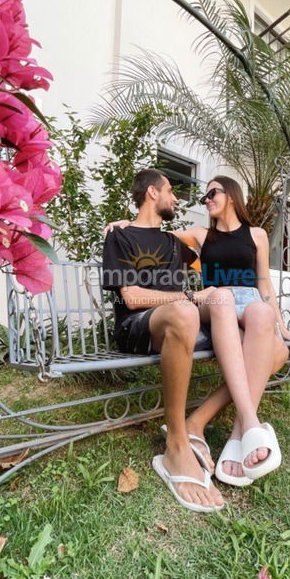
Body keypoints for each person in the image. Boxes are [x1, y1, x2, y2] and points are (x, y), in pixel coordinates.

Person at [104, 175, 290, 488]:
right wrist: (125, 223)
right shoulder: (199, 235)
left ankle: (224, 426)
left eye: (213, 193)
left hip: (250, 309)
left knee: (270, 335)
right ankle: (242, 428)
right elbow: (155, 233)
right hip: (216, 305)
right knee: (270, 354)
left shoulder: (256, 234)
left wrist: (283, 327)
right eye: (203, 196)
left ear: (232, 195)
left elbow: (264, 284)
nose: (206, 199)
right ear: (154, 192)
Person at [102, 168, 225, 514]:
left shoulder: (173, 242)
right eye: (170, 191)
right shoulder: (120, 237)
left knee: (224, 301)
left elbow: (213, 262)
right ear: (153, 193)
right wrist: (186, 298)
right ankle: (176, 444)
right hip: (137, 326)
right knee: (185, 311)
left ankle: (200, 422)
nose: (175, 198)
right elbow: (131, 298)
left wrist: (211, 293)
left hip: (178, 316)